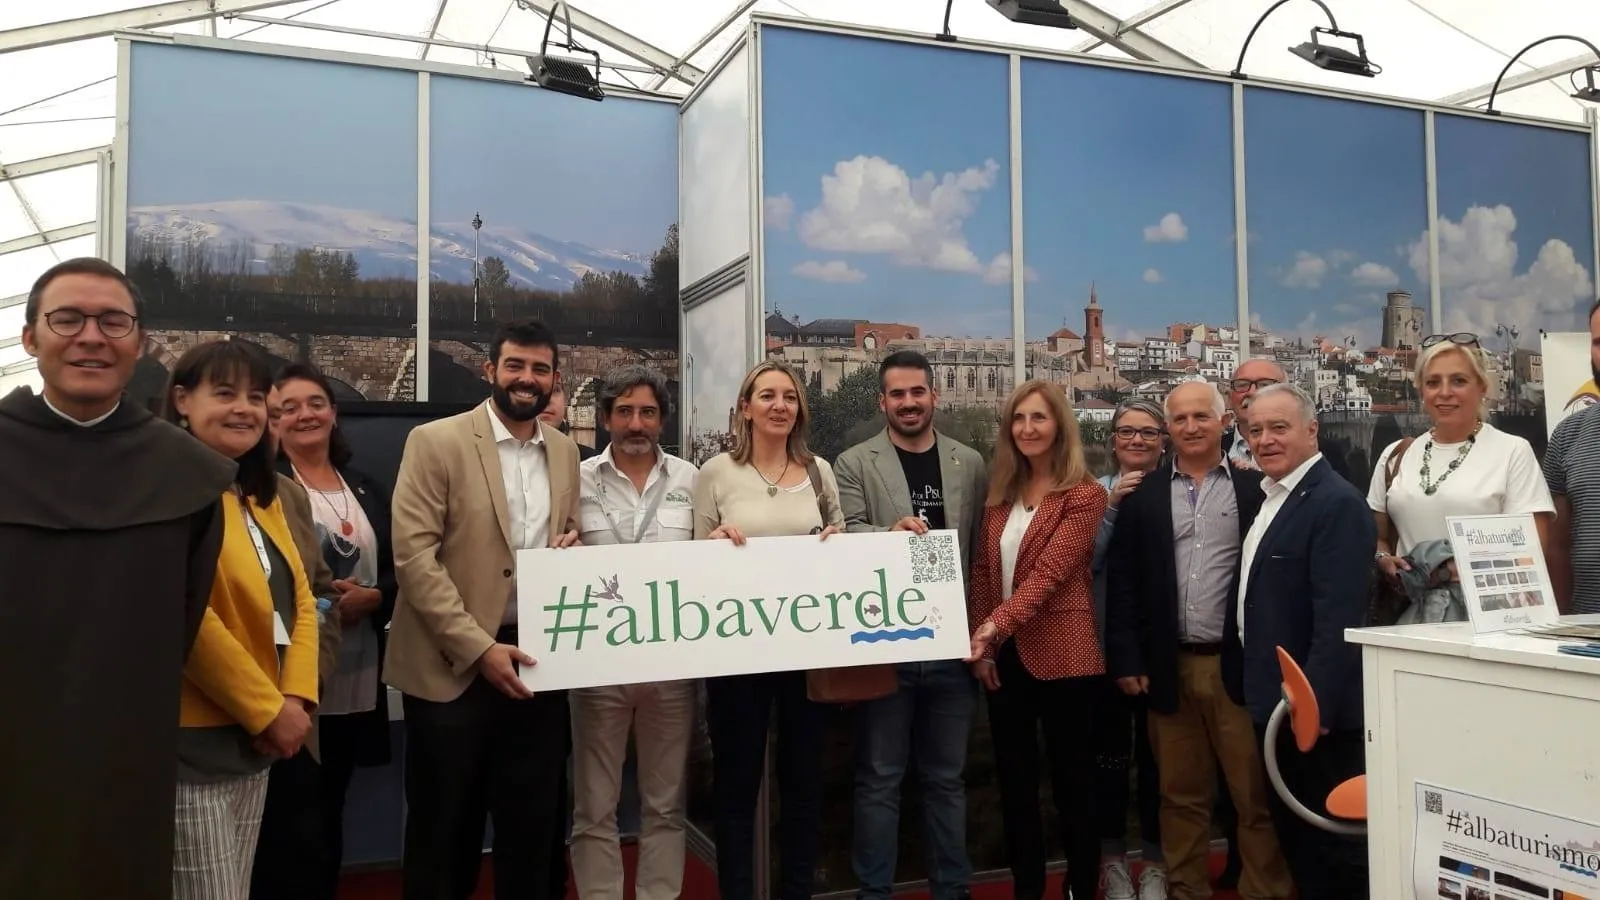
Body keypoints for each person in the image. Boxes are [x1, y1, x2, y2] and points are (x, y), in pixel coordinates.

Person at [0, 258, 235, 899]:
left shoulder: (186, 472)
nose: (91, 337)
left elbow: (184, 614)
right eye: (67, 318)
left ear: (139, 342)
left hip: (127, 744)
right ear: (30, 338)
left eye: (113, 321)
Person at [385, 319, 582, 899]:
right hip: (453, 670)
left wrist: (572, 550)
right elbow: (414, 558)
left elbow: (566, 537)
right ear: (490, 370)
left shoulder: (566, 451)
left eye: (540, 369)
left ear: (554, 379)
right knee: (444, 834)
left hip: (538, 664)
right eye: (516, 366)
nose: (528, 379)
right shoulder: (435, 441)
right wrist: (479, 649)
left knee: (534, 830)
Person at [1105, 381, 1292, 900]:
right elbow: (1122, 582)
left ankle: (1264, 891)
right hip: (1167, 666)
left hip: (1235, 666)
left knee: (1252, 797)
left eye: (1200, 417)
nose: (1190, 427)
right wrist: (1125, 656)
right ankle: (1187, 891)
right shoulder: (1141, 496)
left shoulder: (1257, 492)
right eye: (1180, 418)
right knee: (1178, 796)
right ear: (1169, 428)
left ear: (1223, 421)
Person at [162, 339, 322, 900]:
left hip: (257, 740)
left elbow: (301, 600)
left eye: (257, 397)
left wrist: (297, 699)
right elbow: (187, 614)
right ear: (182, 399)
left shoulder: (259, 493)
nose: (245, 408)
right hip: (194, 743)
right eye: (224, 393)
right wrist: (268, 710)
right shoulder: (167, 490)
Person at [833, 350, 988, 900]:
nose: (908, 403)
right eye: (897, 394)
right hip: (887, 644)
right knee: (879, 781)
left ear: (934, 396)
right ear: (882, 401)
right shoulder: (853, 463)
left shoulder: (968, 461)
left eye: (917, 392)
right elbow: (842, 534)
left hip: (952, 648)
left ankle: (954, 891)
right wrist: (887, 536)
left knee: (946, 782)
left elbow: (978, 554)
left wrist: (982, 636)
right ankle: (875, 894)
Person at [691, 359, 843, 900]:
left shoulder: (820, 472)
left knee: (803, 786)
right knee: (736, 791)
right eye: (768, 396)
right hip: (737, 660)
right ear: (745, 408)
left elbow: (840, 548)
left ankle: (796, 891)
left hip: (806, 657)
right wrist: (710, 547)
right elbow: (691, 567)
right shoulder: (714, 474)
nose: (780, 405)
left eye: (789, 397)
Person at [965, 380, 1109, 900]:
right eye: (1019, 419)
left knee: (1074, 785)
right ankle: (1027, 887)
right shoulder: (998, 495)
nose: (1028, 428)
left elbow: (1049, 577)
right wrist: (985, 648)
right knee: (1015, 787)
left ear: (1059, 427)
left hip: (1067, 658)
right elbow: (983, 571)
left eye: (1039, 418)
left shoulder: (1085, 495)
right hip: (1004, 661)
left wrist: (990, 629)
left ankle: (1080, 885)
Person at [1234, 383, 1373, 898]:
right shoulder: (1273, 498)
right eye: (1255, 430)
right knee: (1301, 850)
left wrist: (1310, 712)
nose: (1265, 440)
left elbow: (1336, 623)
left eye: (1279, 427)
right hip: (1276, 708)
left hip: (1313, 720)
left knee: (1335, 857)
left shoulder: (1335, 503)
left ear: (1311, 431)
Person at [570, 365, 699, 900]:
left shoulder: (695, 480)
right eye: (624, 411)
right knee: (594, 804)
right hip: (597, 669)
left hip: (670, 671)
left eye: (647, 412)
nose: (636, 423)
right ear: (604, 419)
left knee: (665, 804)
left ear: (662, 420)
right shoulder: (572, 481)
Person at [270, 363, 397, 898]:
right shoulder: (262, 490)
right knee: (290, 819)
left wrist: (377, 597)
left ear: (334, 412)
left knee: (332, 810)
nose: (305, 415)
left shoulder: (366, 486)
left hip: (359, 675)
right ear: (271, 423)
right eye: (288, 408)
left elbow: (398, 564)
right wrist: (324, 606)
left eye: (315, 403)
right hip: (292, 686)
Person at [252, 377, 345, 900]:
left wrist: (300, 696)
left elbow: (317, 598)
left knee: (299, 855)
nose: (255, 421)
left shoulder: (287, 496)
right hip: (214, 724)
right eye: (283, 410)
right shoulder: (178, 493)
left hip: (296, 716)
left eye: (263, 412)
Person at [1371, 336, 1554, 594]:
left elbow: (1532, 551)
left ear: (1481, 388)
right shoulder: (1395, 456)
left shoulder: (1513, 451)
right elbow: (1377, 537)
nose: (1445, 392)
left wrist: (1451, 573)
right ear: (1421, 391)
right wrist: (1383, 559)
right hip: (1409, 620)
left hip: (1489, 617)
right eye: (1433, 382)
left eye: (1459, 380)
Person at [1090, 398, 1168, 900]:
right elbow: (1084, 561)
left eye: (1147, 432)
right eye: (1126, 432)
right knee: (1109, 761)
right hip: (1100, 649)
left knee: (1163, 765)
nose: (1136, 440)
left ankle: (1158, 862)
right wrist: (1112, 505)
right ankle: (1112, 861)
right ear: (1112, 440)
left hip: (1164, 646)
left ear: (1163, 440)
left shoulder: (1183, 491)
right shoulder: (1092, 493)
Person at [1544, 299, 1600, 614]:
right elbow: (1557, 549)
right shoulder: (1568, 434)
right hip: (1588, 639)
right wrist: (1563, 630)